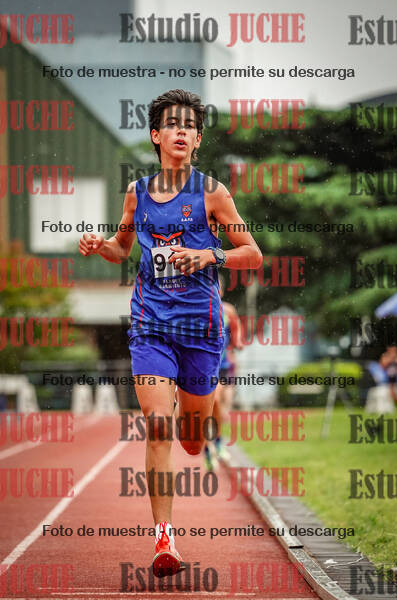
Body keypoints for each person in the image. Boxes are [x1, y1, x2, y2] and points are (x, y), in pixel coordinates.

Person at [79, 89, 262, 577]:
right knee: (158, 424)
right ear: (156, 135)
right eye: (173, 124)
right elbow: (122, 249)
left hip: (201, 328)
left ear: (198, 140)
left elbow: (253, 254)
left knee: (193, 441)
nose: (182, 131)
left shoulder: (212, 193)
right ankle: (165, 539)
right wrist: (99, 245)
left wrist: (209, 254)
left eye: (190, 126)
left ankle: (194, 413)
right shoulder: (136, 193)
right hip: (151, 325)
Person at [204, 276, 243, 471]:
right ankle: (208, 448)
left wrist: (238, 342)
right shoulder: (198, 309)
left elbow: (236, 330)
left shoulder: (228, 310)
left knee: (220, 407)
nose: (215, 290)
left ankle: (217, 442)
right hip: (204, 366)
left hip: (224, 364)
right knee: (209, 406)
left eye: (217, 287)